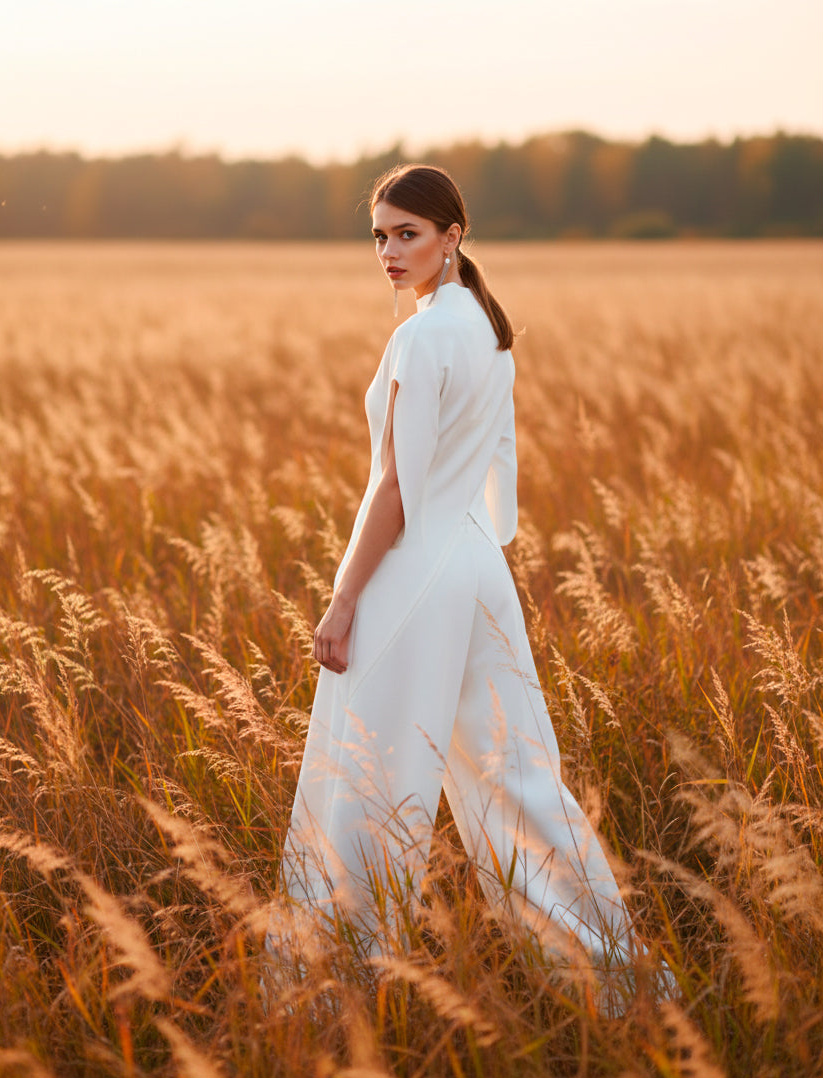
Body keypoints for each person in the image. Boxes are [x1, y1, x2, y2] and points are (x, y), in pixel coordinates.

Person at [275, 164, 649, 993]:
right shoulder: (483, 323)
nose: (389, 250)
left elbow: (397, 487)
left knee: (369, 777)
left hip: (414, 580)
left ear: (453, 235)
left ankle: (337, 981)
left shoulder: (420, 334)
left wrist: (342, 601)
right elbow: (486, 475)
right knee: (518, 777)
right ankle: (609, 971)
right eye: (379, 234)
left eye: (407, 232)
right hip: (479, 570)